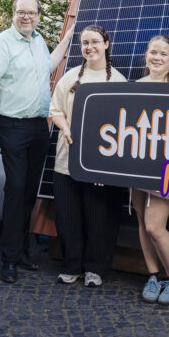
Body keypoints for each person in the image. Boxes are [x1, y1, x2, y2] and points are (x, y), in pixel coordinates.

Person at [0, 0, 72, 284]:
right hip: (12, 126)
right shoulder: (2, 43)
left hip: (38, 127)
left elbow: (49, 65)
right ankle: (8, 258)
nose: (26, 17)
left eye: (31, 13)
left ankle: (22, 251)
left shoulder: (38, 40)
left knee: (29, 191)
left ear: (38, 16)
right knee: (16, 188)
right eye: (21, 12)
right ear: (13, 14)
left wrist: (69, 37)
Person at [50, 25, 127, 287]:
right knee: (68, 216)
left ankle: (95, 268)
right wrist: (65, 127)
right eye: (85, 43)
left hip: (102, 164)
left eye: (95, 41)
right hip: (67, 160)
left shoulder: (117, 81)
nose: (89, 47)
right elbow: (55, 110)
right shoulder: (70, 77)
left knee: (99, 217)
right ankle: (71, 264)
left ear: (106, 44)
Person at [130, 36, 169, 304]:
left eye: (163, 54)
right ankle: (153, 275)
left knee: (155, 226)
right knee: (142, 222)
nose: (157, 57)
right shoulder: (136, 87)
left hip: (168, 169)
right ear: (146, 55)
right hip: (139, 165)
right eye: (153, 52)